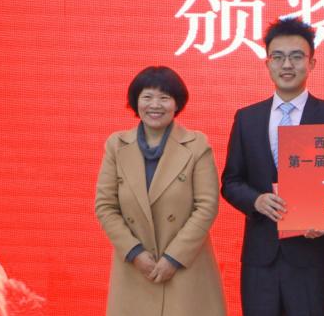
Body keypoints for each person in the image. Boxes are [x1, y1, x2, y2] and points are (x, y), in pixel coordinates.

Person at [221, 18, 324, 316]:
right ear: (267, 63)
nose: (287, 65)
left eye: (296, 56)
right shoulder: (247, 118)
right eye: (278, 57)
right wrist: (256, 200)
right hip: (260, 259)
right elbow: (231, 181)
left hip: (311, 257)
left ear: (312, 62)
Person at [95, 66, 226, 316]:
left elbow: (207, 206)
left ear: (177, 104)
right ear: (136, 101)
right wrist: (134, 252)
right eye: (147, 97)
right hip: (134, 269)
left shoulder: (197, 145)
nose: (155, 105)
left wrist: (173, 258)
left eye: (164, 97)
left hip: (186, 268)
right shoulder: (116, 145)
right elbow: (105, 206)